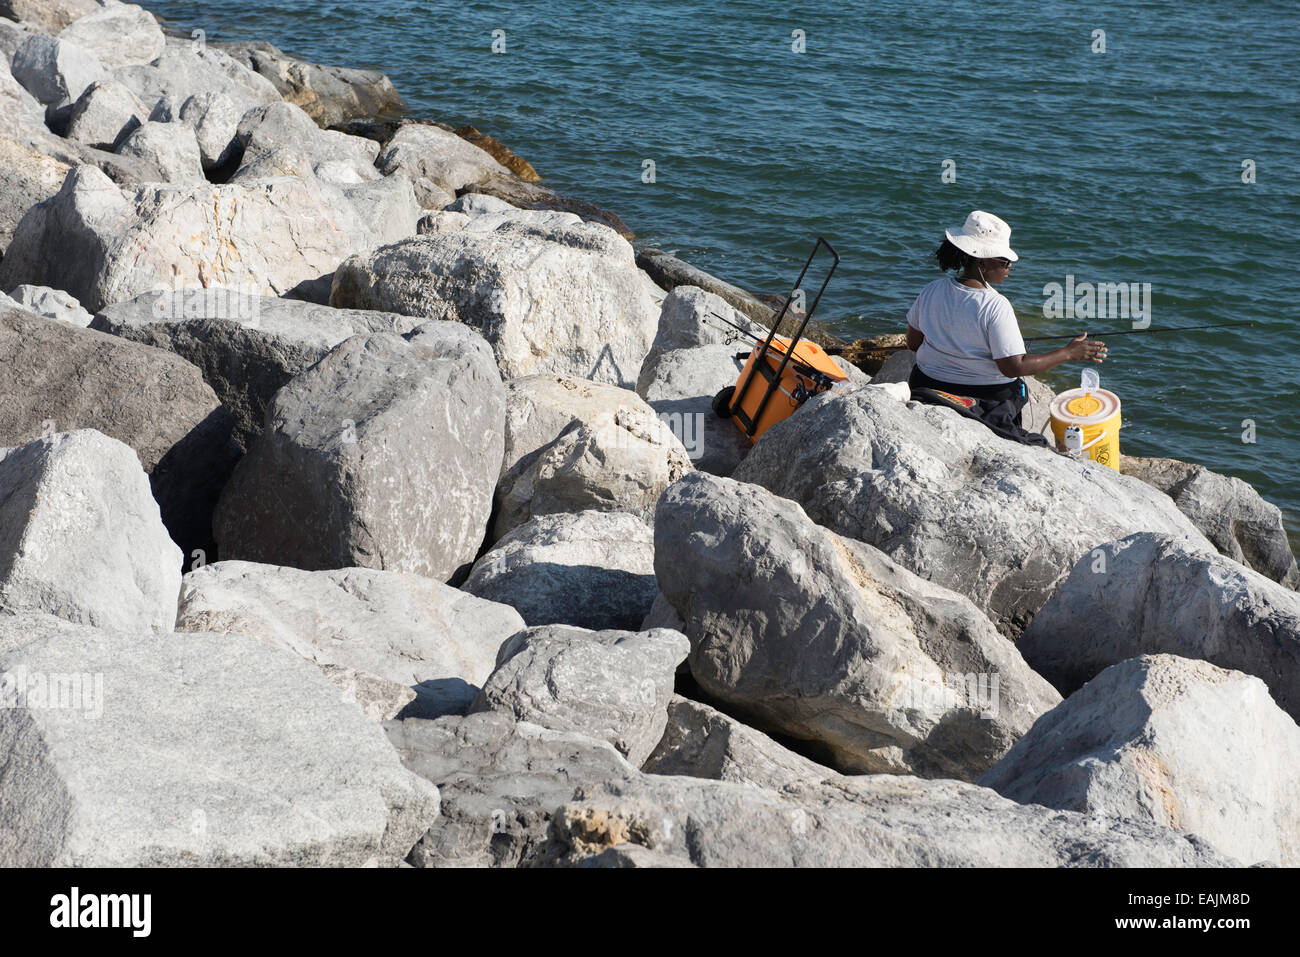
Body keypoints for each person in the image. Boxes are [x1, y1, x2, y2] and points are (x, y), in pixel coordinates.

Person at [905, 210, 1107, 445]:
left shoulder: (932, 289)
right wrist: (1068, 353)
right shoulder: (995, 305)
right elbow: (1013, 368)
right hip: (986, 398)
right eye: (1003, 260)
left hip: (928, 385)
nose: (1009, 266)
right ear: (981, 260)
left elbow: (913, 344)